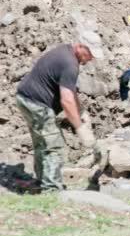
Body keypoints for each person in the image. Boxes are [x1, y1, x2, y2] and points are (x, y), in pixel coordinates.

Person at [15, 43, 96, 191]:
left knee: (42, 143)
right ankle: (51, 189)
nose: (89, 59)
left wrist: (81, 110)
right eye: (88, 53)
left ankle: (41, 182)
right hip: (37, 104)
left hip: (25, 98)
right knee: (54, 146)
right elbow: (66, 100)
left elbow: (69, 90)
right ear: (79, 46)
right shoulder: (70, 64)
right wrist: (79, 128)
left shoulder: (65, 52)